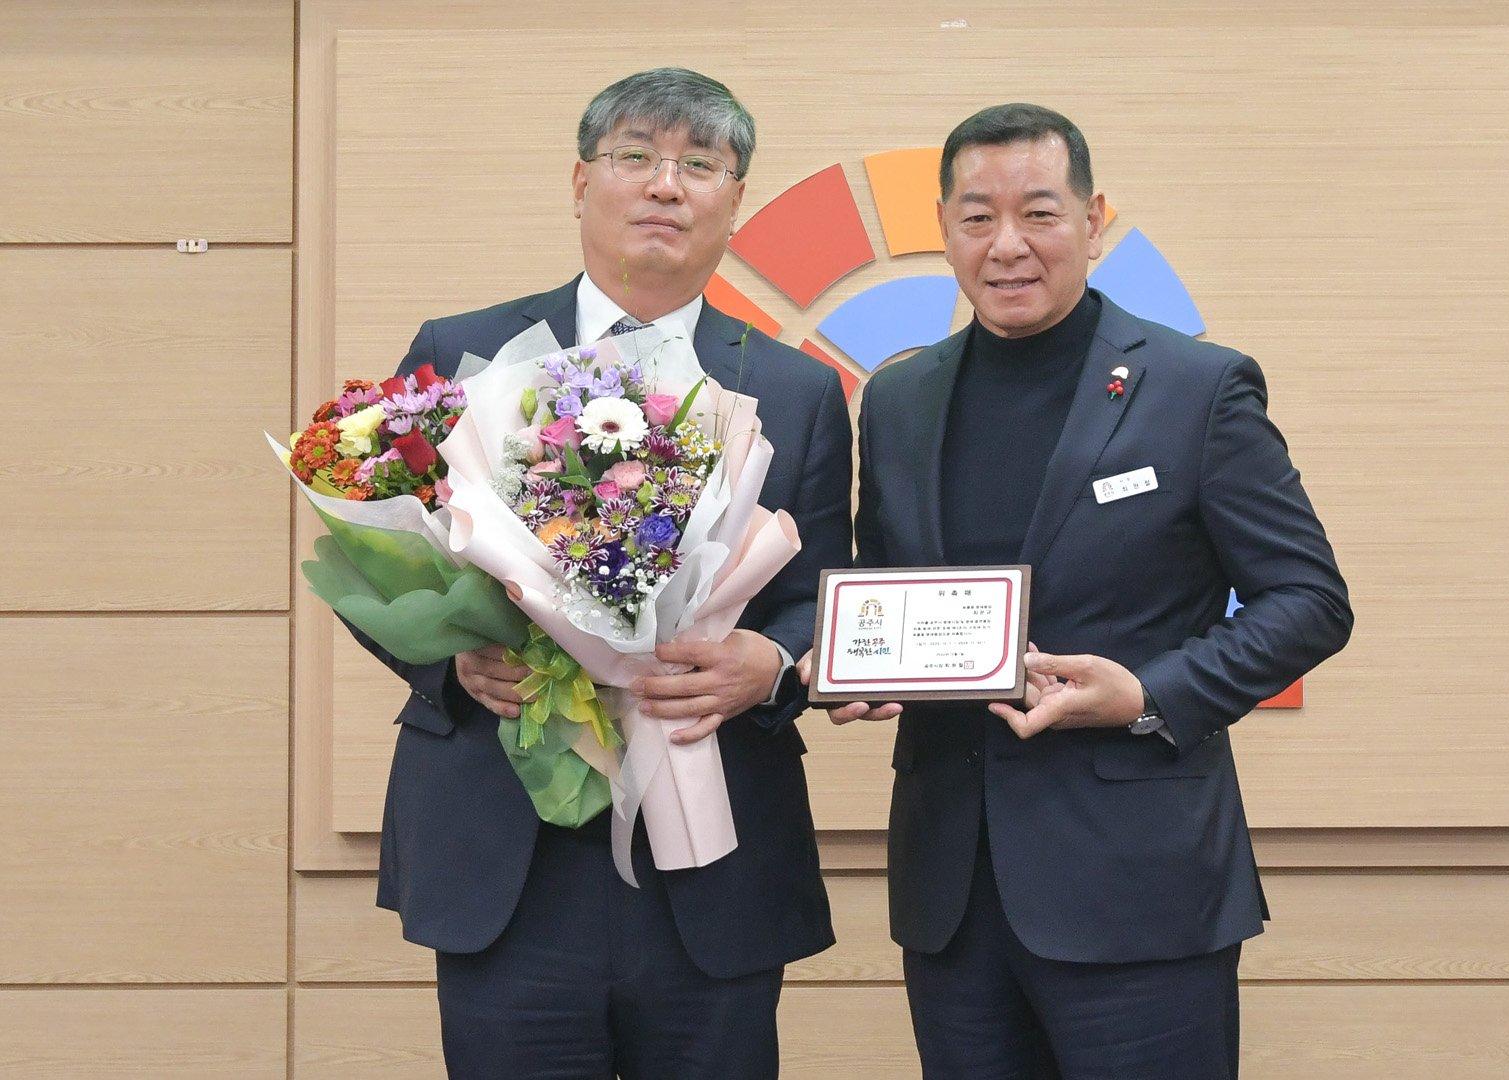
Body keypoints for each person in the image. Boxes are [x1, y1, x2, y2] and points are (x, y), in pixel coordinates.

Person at [820, 103, 1353, 1079]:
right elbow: (883, 587)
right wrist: (854, 665)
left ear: (1095, 220)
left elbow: (1309, 599)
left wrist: (1148, 693)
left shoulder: (1196, 388)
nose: (1007, 245)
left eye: (1040, 213)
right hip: (952, 894)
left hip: (1138, 885)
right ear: (943, 229)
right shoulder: (897, 400)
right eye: (977, 217)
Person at [353, 68, 852, 1079]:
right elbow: (380, 549)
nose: (667, 185)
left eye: (700, 165)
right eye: (636, 157)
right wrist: (453, 661)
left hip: (709, 844)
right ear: (582, 181)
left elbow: (825, 590)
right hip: (507, 850)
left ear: (735, 202)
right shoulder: (462, 351)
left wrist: (771, 661)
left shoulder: (797, 389)